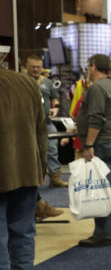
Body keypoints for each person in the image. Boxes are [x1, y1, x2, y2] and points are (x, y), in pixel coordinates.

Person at [0, 67, 47, 270]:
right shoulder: (27, 83)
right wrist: (42, 165)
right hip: (28, 169)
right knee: (23, 234)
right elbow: (42, 128)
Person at [75, 54, 111, 246]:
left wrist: (88, 145)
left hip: (101, 143)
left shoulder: (97, 88)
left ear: (93, 66)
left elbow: (96, 118)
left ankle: (104, 233)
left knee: (100, 188)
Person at [25, 55, 66, 187]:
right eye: (33, 67)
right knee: (29, 152)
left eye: (38, 67)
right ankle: (30, 181)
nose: (36, 70)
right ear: (27, 66)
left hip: (47, 123)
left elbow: (55, 98)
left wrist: (55, 108)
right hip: (27, 124)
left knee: (52, 149)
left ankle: (55, 178)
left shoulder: (47, 82)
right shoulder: (21, 80)